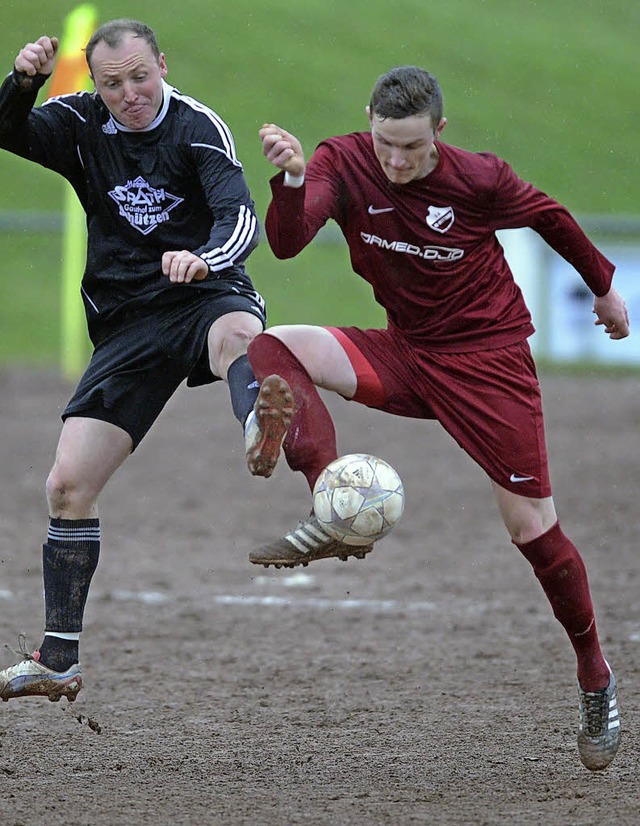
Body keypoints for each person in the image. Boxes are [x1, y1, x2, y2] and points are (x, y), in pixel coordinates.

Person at [246, 66, 629, 771]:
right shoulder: (344, 160)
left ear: (439, 135)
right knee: (270, 346)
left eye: (412, 149)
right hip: (407, 352)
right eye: (385, 143)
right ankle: (329, 498)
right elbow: (289, 241)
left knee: (532, 530)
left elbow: (548, 215)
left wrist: (604, 288)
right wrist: (294, 180)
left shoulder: (478, 180)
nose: (395, 161)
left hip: (488, 364)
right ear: (369, 121)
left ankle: (595, 676)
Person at [0, 19, 292, 704]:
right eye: (112, 84)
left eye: (140, 76)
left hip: (203, 292)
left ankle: (259, 424)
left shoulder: (195, 127)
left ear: (161, 63)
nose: (130, 93)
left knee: (237, 338)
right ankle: (59, 658)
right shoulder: (77, 124)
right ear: (96, 86)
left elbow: (239, 216)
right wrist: (22, 84)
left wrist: (206, 259)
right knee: (68, 486)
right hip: (127, 323)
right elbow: (9, 132)